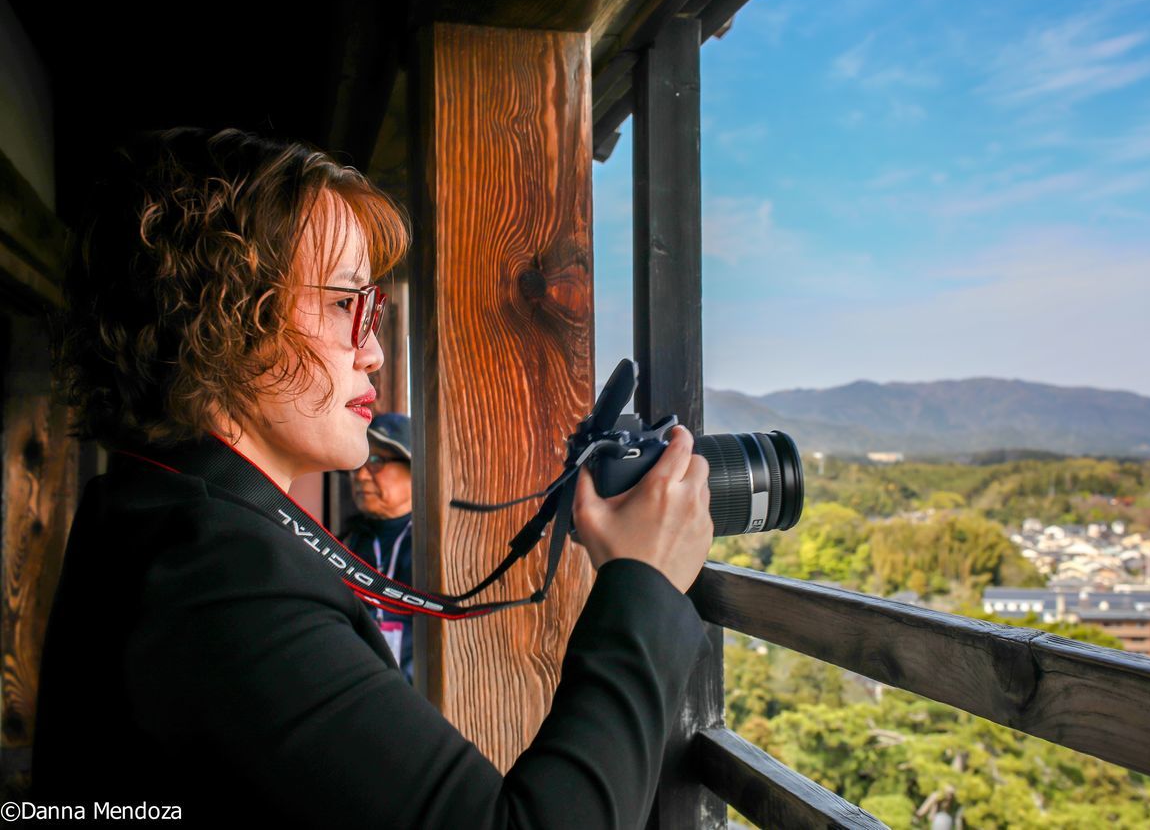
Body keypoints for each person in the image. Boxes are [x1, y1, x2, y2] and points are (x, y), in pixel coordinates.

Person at [32, 127, 714, 828]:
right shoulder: (216, 573)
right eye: (343, 304)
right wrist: (643, 582)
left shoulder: (152, 511)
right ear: (223, 317)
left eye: (374, 311)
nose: (375, 353)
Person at [340, 412, 416, 683]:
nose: (359, 475)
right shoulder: (345, 544)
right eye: (358, 462)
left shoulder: (440, 547)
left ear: (413, 466)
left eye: (375, 461)